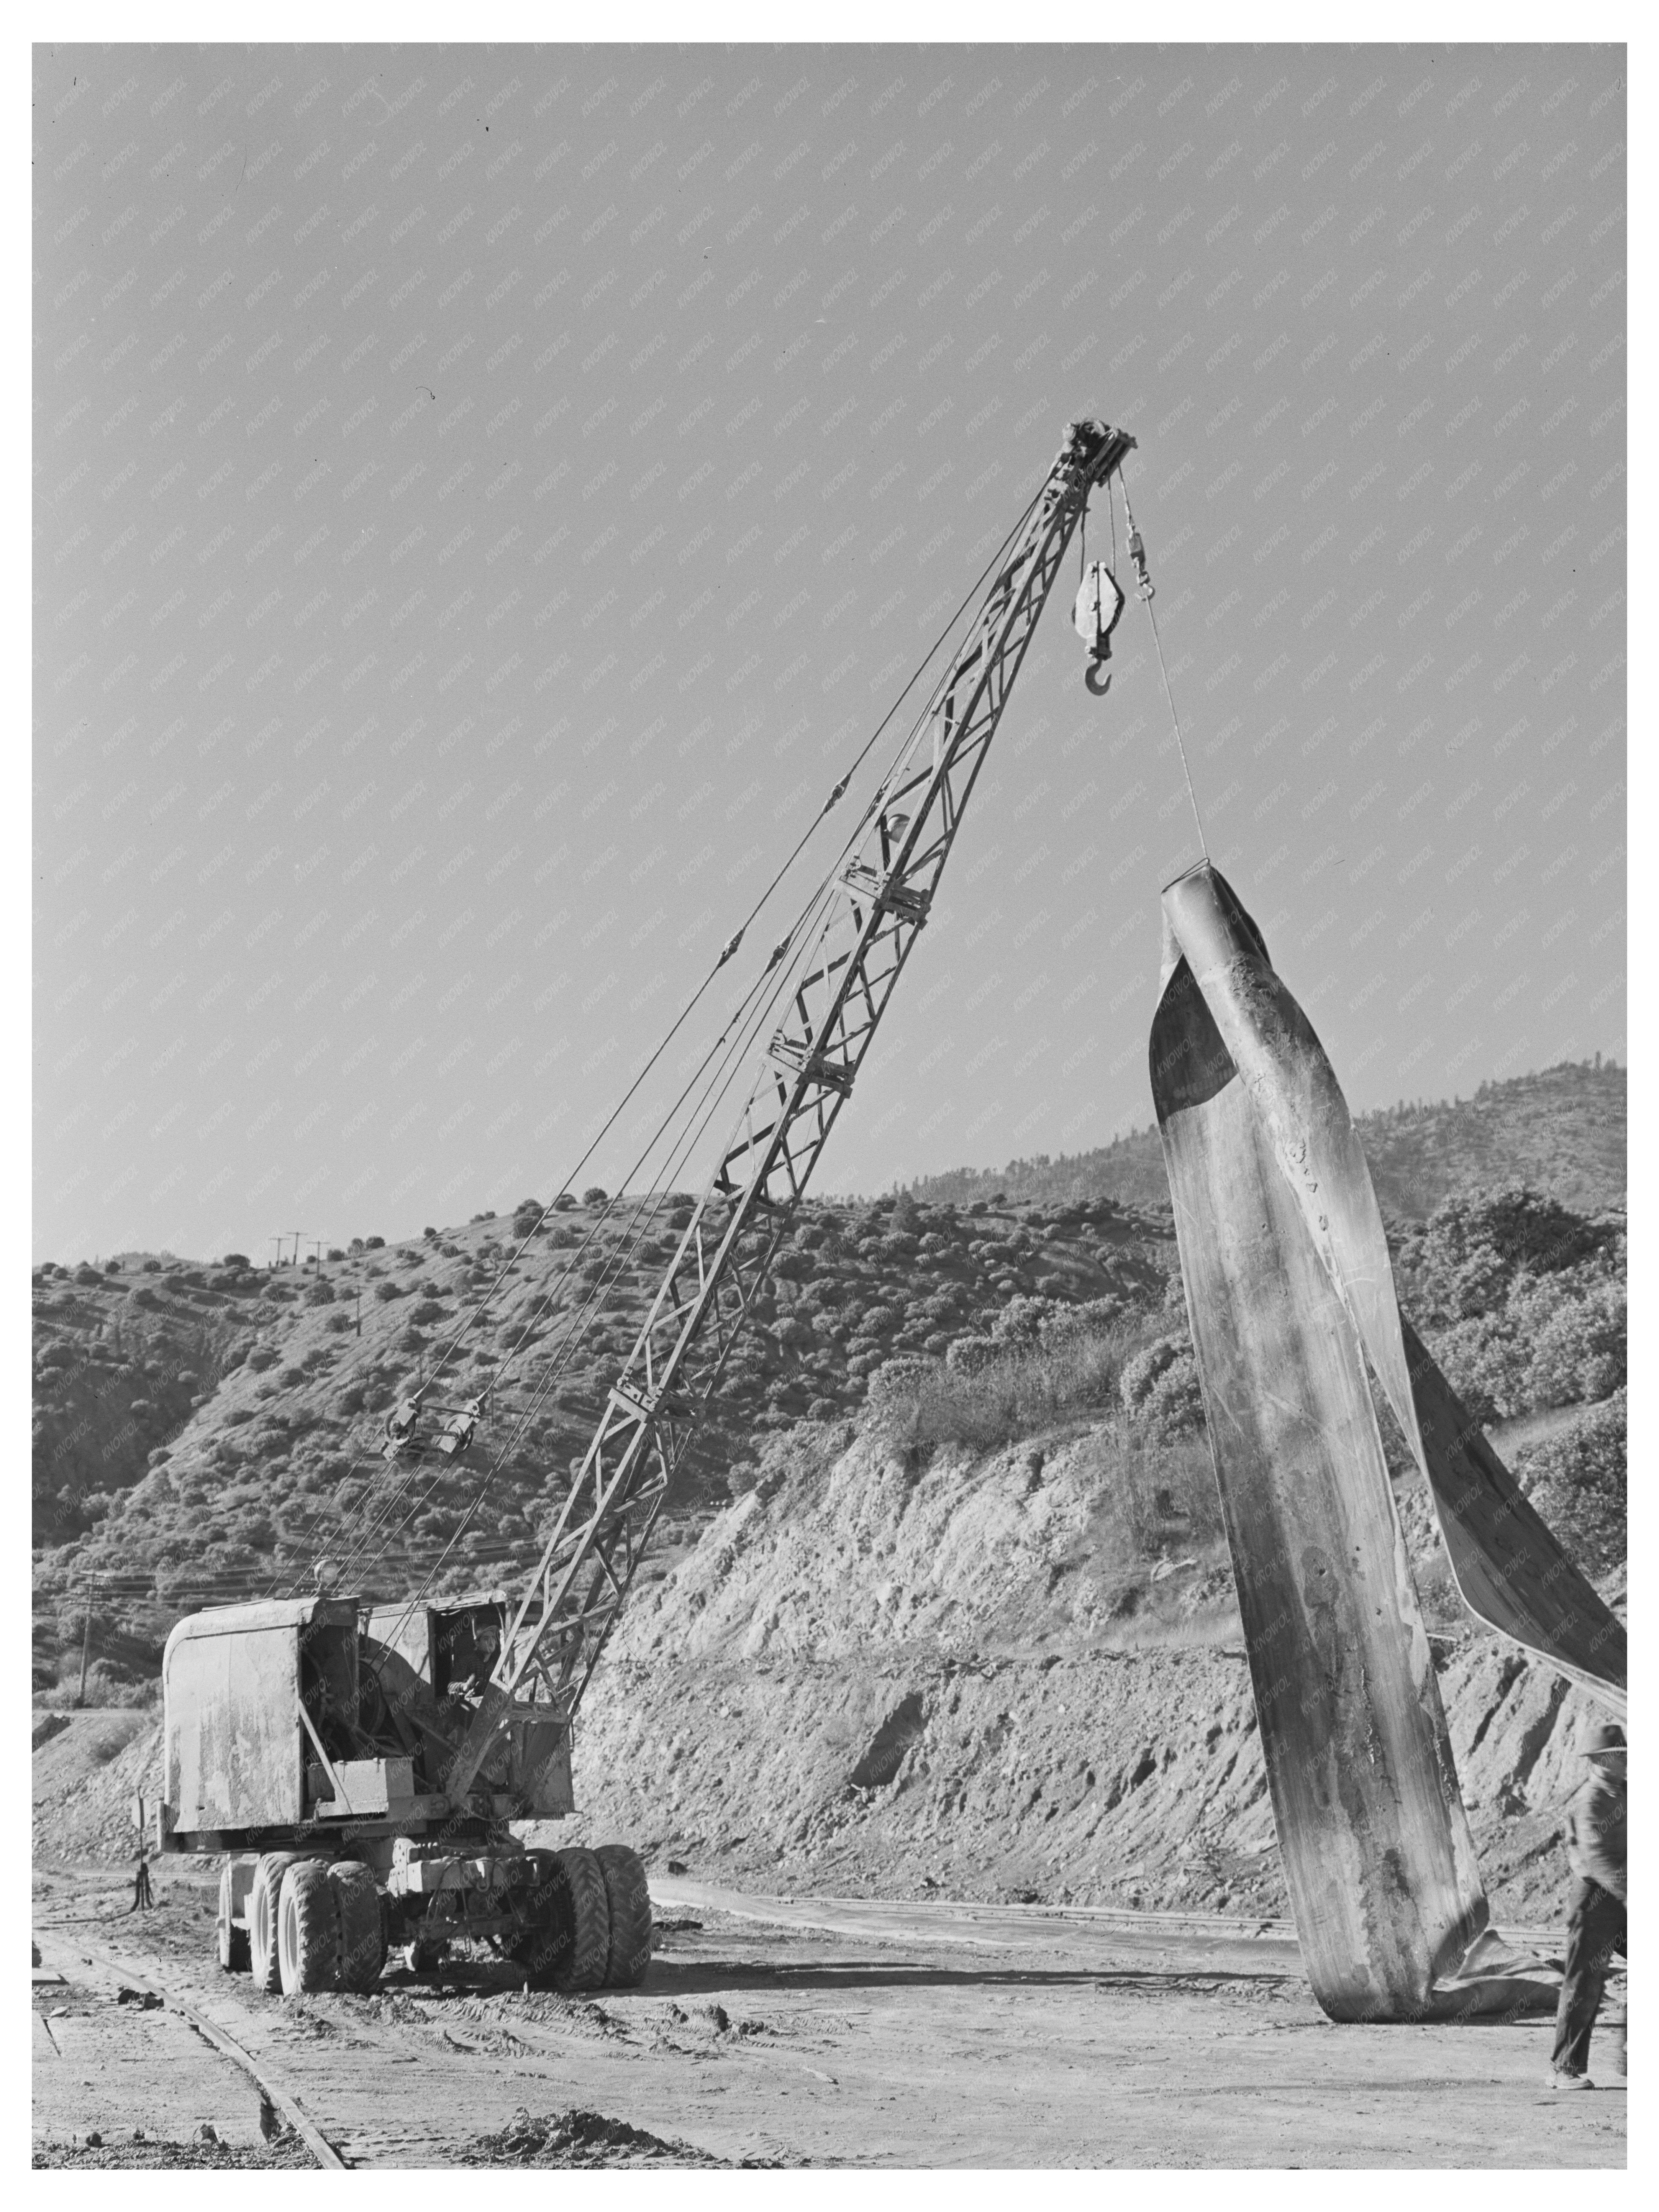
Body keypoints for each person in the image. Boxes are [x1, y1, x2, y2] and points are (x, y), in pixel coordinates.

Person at [1549, 1719, 1626, 2088]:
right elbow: (1600, 1859)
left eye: (1624, 1754)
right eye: (1615, 1756)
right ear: (1596, 1760)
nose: (1622, 1761)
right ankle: (1565, 2069)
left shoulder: (1627, 1794)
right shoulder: (1590, 1801)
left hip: (1625, 1898)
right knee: (1585, 1982)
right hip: (1595, 1902)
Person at [130, 1848, 154, 1914]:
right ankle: (134, 1909)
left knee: (146, 1899)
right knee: (139, 1900)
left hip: (142, 1881)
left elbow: (147, 1887)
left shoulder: (144, 1876)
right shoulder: (140, 1875)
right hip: (140, 1881)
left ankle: (151, 1908)